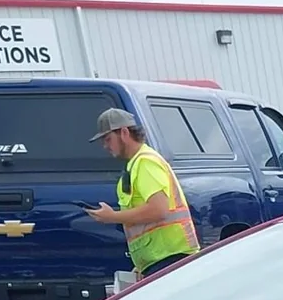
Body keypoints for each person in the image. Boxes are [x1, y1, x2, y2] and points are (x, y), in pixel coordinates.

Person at [83, 107, 200, 279]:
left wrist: (112, 217)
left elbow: (158, 210)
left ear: (124, 132)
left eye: (108, 139)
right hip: (161, 259)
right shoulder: (137, 164)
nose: (105, 146)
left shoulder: (145, 163)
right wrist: (142, 266)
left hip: (169, 258)